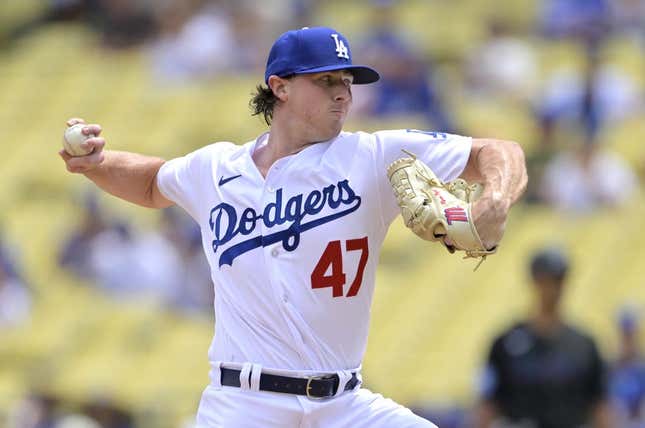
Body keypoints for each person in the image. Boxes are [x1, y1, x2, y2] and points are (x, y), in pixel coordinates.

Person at [59, 26, 527, 427]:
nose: (344, 92)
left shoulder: (373, 154)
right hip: (243, 404)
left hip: (343, 404)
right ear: (279, 87)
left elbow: (497, 152)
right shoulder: (216, 169)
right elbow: (149, 183)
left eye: (347, 80)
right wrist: (98, 163)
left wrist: (497, 198)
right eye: (326, 81)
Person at [475, 247, 614, 428]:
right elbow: (488, 405)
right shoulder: (506, 344)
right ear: (534, 282)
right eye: (545, 280)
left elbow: (600, 406)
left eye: (557, 281)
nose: (551, 289)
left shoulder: (584, 346)